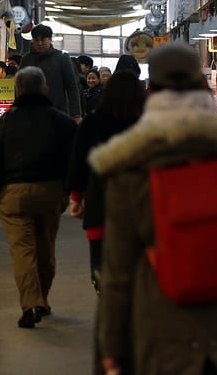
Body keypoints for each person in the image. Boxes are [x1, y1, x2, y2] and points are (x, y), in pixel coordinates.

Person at [91, 43, 217, 375]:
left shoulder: (130, 164)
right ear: (203, 87)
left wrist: (110, 346)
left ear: (150, 91)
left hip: (164, 329)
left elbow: (118, 270)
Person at [0, 67, 77, 328]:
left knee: (23, 250)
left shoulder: (4, 122)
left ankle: (31, 303)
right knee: (46, 248)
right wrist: (68, 189)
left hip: (13, 194)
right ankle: (41, 300)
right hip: (51, 191)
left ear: (18, 90)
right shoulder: (63, 121)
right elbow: (75, 160)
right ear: (44, 88)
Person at [68, 70, 145, 293]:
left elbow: (79, 163)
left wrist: (76, 198)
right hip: (139, 207)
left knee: (100, 264)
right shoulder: (148, 124)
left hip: (100, 202)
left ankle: (105, 292)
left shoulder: (91, 123)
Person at [20, 24, 82, 123]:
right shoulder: (26, 59)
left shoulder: (62, 58)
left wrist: (76, 114)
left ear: (50, 39)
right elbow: (20, 87)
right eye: (36, 40)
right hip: (31, 113)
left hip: (58, 111)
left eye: (43, 40)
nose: (39, 43)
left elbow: (72, 87)